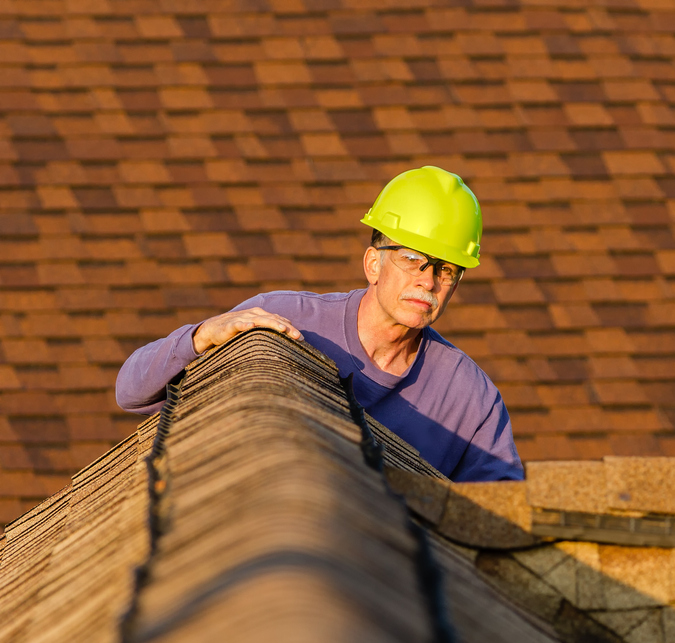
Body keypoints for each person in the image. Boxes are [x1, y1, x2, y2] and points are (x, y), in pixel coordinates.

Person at [116, 166, 523, 482]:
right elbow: (130, 392)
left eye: (447, 270)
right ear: (373, 264)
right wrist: (202, 336)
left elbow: (506, 521)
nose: (428, 281)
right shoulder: (281, 321)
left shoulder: (472, 400)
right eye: (413, 259)